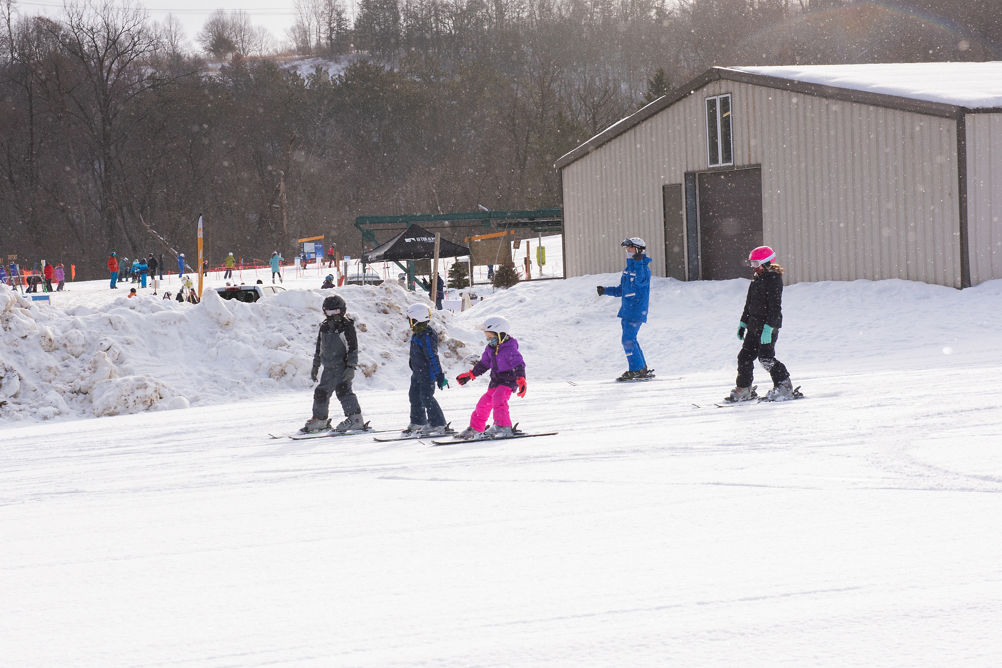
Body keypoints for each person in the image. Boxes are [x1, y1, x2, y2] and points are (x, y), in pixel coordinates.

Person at [725, 245, 797, 403]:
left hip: (768, 326)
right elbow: (749, 304)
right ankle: (744, 389)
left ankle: (784, 386)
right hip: (753, 325)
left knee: (766, 358)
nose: (753, 267)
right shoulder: (756, 279)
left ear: (766, 262)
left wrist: (769, 327)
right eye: (752, 264)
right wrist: (743, 322)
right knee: (744, 356)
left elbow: (775, 307)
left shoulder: (773, 280)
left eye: (756, 264)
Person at [454, 315, 526, 440]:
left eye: (491, 338)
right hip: (495, 381)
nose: (489, 341)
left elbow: (519, 364)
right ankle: (476, 428)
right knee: (483, 403)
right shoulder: (490, 349)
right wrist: (470, 375)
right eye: (487, 338)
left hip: (508, 381)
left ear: (501, 335)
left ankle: (503, 426)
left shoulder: (510, 349)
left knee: (499, 398)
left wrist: (521, 379)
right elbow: (484, 364)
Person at [303, 295, 366, 433]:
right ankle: (320, 420)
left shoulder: (346, 326)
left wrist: (351, 367)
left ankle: (355, 419)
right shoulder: (324, 327)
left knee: (343, 391)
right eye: (329, 312)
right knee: (321, 392)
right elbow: (319, 348)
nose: (332, 315)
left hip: (342, 367)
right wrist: (315, 366)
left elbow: (352, 349)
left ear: (342, 311)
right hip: (328, 368)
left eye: (335, 312)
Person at [597, 237, 653, 380]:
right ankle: (641, 368)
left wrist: (639, 262)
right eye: (627, 249)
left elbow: (640, 283)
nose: (628, 251)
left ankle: (636, 369)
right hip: (627, 310)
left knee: (627, 339)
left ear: (639, 250)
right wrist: (605, 290)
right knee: (630, 339)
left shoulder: (644, 268)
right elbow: (621, 290)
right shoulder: (628, 270)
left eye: (630, 248)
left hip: (636, 310)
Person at [401, 303, 450, 437]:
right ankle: (418, 421)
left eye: (410, 319)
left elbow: (432, 356)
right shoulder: (417, 333)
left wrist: (439, 375)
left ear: (417, 319)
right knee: (414, 396)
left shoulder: (426, 335)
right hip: (417, 372)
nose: (409, 322)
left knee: (426, 398)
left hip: (427, 373)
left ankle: (438, 423)